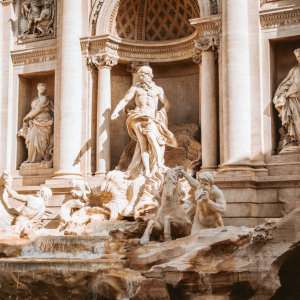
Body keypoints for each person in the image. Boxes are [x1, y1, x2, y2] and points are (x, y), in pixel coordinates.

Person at [111, 66, 177, 179]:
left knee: (152, 138)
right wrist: (116, 111)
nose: (141, 77)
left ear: (150, 75)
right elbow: (125, 100)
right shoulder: (135, 88)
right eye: (140, 75)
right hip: (137, 116)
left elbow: (166, 103)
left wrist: (161, 113)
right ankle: (146, 170)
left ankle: (160, 164)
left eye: (144, 74)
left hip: (151, 118)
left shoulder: (158, 89)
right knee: (143, 145)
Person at [18, 83, 54, 164]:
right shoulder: (35, 99)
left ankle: (40, 158)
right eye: (40, 87)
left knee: (42, 141)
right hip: (35, 122)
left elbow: (38, 109)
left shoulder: (44, 98)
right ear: (37, 88)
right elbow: (33, 110)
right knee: (31, 140)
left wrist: (27, 117)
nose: (42, 89)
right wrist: (28, 118)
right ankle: (31, 159)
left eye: (43, 88)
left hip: (44, 122)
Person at [273, 48, 300, 152]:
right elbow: (286, 83)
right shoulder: (294, 70)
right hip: (293, 100)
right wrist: (280, 94)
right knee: (296, 120)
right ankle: (295, 140)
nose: (299, 58)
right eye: (298, 57)